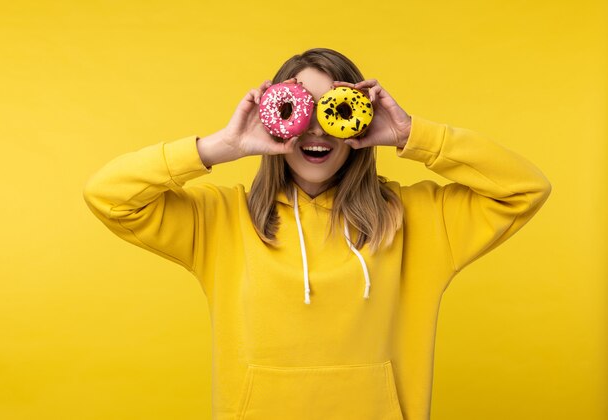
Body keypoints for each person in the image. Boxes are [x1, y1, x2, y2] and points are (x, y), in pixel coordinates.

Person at [83, 48, 551, 420]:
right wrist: (219, 147)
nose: (315, 131)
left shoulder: (417, 218)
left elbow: (524, 189)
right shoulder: (221, 220)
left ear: (359, 120)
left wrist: (411, 134)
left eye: (333, 109)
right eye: (296, 109)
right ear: (273, 116)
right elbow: (107, 195)